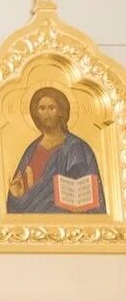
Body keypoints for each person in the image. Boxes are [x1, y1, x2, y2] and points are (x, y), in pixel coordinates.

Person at [6, 86, 105, 214]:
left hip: (67, 222)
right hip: (33, 223)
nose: (46, 113)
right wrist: (15, 196)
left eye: (51, 108)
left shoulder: (77, 147)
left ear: (60, 112)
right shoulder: (31, 150)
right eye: (42, 108)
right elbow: (18, 199)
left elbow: (90, 194)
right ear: (36, 113)